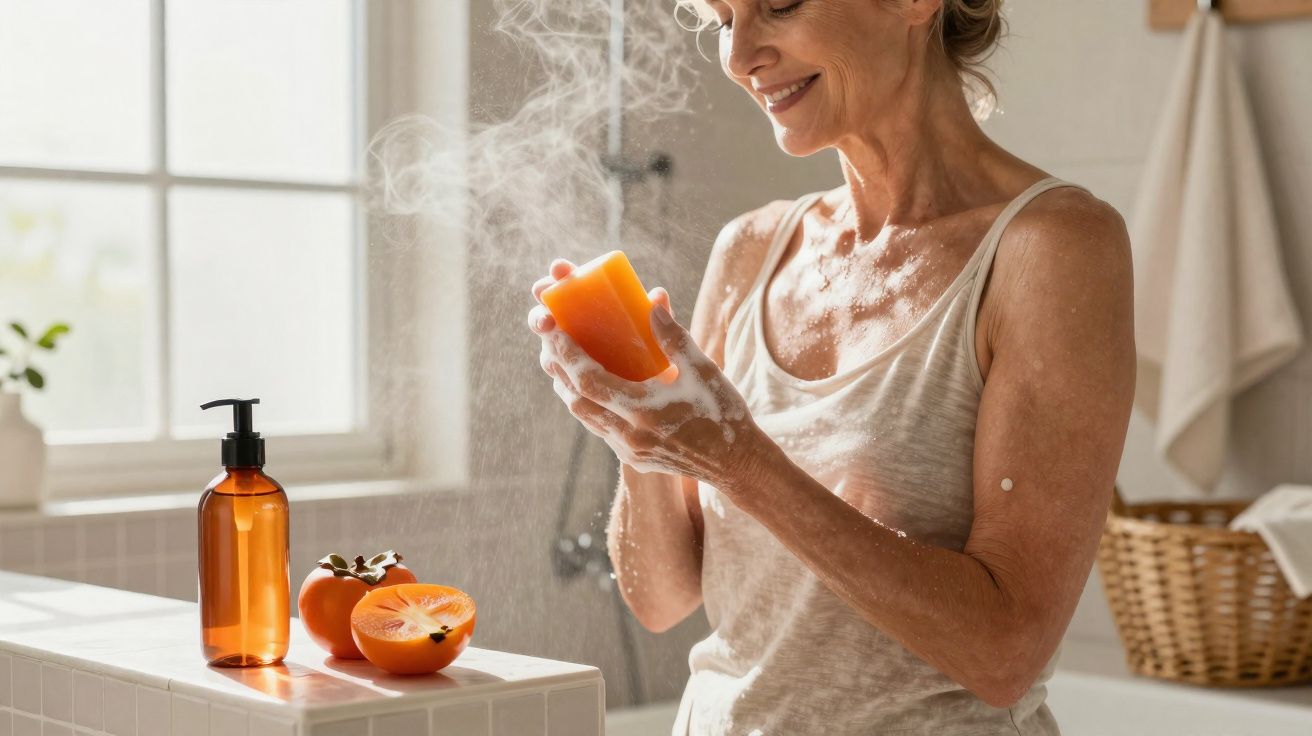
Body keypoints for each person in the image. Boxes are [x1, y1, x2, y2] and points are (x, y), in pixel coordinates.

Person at [528, 0, 1135, 732]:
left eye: (777, 5)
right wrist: (641, 433)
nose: (738, 54)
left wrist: (742, 464)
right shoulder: (752, 249)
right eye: (724, 19)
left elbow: (1005, 651)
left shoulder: (1052, 248)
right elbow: (662, 600)